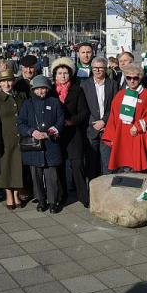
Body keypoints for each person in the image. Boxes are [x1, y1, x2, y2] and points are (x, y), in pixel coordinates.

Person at [17, 75, 64, 213]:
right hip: (34, 145)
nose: (41, 91)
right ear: (33, 90)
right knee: (35, 175)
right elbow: (20, 123)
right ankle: (41, 200)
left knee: (52, 176)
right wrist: (32, 131)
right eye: (38, 89)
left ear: (48, 88)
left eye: (43, 88)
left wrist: (51, 131)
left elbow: (61, 120)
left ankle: (53, 201)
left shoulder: (55, 102)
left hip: (51, 144)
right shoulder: (27, 104)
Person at [102, 63, 147, 172]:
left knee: (139, 169)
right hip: (122, 137)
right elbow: (113, 118)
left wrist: (138, 127)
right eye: (129, 77)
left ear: (140, 78)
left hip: (139, 136)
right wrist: (112, 137)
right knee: (124, 168)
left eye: (135, 78)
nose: (132, 81)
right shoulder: (120, 94)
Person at [51, 57, 90, 207]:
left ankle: (83, 196)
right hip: (57, 134)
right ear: (55, 75)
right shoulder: (51, 91)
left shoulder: (77, 89)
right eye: (60, 73)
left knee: (77, 163)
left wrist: (71, 121)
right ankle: (62, 195)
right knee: (59, 164)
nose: (63, 76)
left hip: (73, 131)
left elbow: (83, 112)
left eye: (65, 73)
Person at [0, 69, 26, 209]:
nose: (7, 84)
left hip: (20, 137)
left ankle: (17, 193)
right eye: (4, 81)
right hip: (4, 137)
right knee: (6, 167)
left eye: (10, 80)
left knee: (18, 166)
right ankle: (8, 195)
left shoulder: (21, 96)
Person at [82, 56, 118, 176]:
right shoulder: (85, 85)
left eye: (100, 68)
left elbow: (114, 107)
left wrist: (104, 121)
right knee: (91, 164)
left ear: (105, 69)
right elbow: (84, 109)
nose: (97, 70)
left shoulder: (113, 84)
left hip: (107, 129)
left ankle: (106, 191)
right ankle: (93, 191)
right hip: (91, 129)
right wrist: (95, 123)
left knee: (107, 164)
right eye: (95, 68)